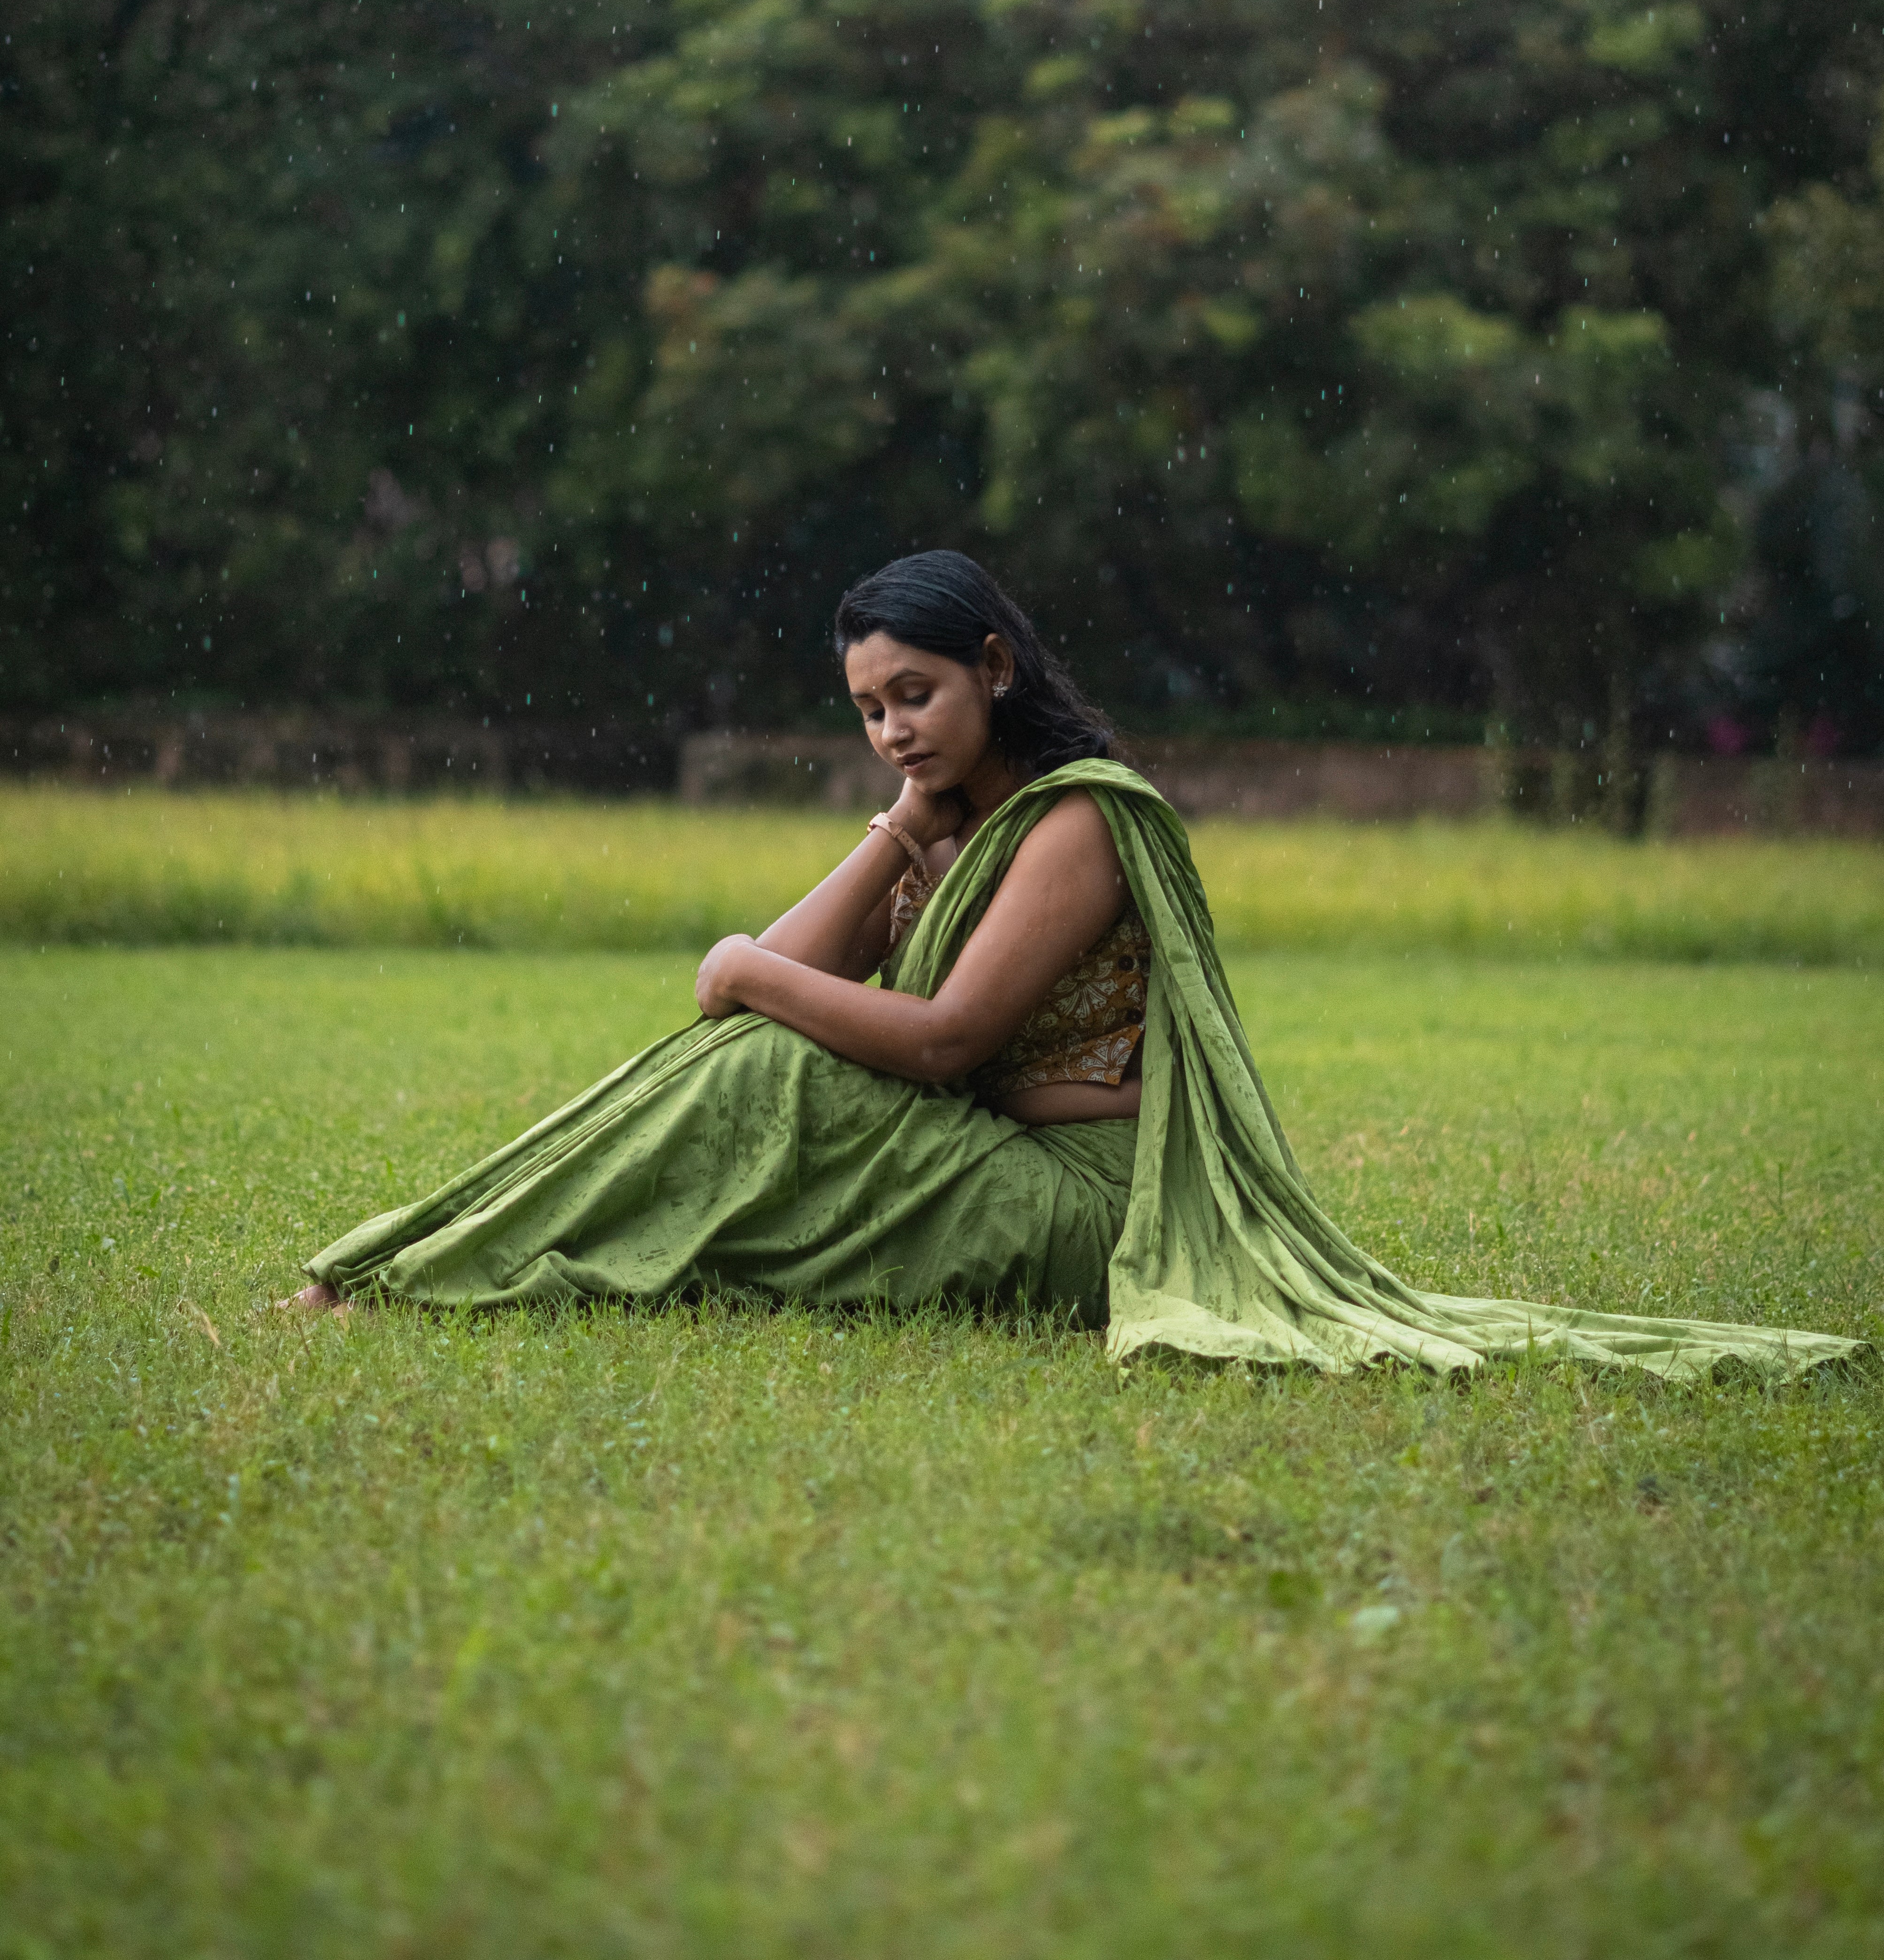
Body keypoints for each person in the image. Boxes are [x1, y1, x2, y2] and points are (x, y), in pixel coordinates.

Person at [290, 552, 1856, 1382]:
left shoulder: (1082, 821)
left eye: (917, 694)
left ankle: (426, 1274)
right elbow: (770, 972)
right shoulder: (949, 818)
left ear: (995, 667)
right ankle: (428, 1261)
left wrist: (743, 975)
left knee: (762, 1058)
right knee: (741, 1061)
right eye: (868, 709)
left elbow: (940, 1042)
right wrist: (891, 833)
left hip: (1087, 1210)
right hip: (978, 1163)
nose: (894, 727)